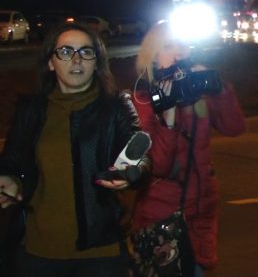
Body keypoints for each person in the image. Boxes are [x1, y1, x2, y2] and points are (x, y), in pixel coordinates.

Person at [0, 23, 147, 277]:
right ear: (50, 62)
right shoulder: (31, 110)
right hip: (37, 251)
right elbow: (11, 161)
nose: (77, 59)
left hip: (100, 254)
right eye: (66, 51)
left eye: (86, 52)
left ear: (96, 62)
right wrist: (11, 179)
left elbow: (140, 155)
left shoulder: (116, 107)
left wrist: (132, 172)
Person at [130, 21, 245, 275]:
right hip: (162, 214)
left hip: (202, 211)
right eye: (168, 46)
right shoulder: (143, 99)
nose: (178, 51)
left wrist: (218, 88)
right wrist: (168, 116)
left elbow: (234, 127)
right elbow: (158, 165)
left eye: (183, 44)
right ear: (153, 55)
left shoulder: (198, 93)